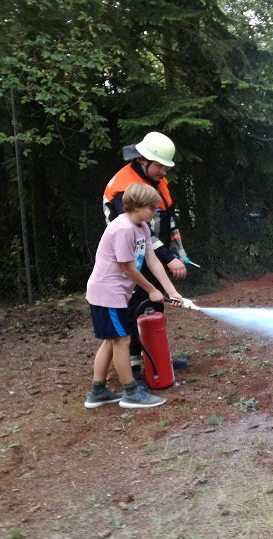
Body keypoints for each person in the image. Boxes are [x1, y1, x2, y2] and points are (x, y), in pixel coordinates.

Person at [85, 183, 183, 409]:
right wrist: (151, 290)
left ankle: (97, 392)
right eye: (152, 208)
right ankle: (131, 393)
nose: (155, 213)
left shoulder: (142, 227)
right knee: (122, 340)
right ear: (137, 206)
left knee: (111, 340)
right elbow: (128, 268)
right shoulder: (123, 229)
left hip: (116, 293)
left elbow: (152, 259)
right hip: (107, 293)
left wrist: (170, 291)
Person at [102, 131, 190, 381]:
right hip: (129, 260)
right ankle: (133, 367)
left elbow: (168, 220)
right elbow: (142, 232)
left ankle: (157, 356)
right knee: (134, 308)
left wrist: (178, 253)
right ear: (143, 160)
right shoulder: (124, 187)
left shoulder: (158, 181)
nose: (164, 171)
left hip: (151, 254)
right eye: (160, 166)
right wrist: (168, 258)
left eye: (166, 166)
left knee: (155, 303)